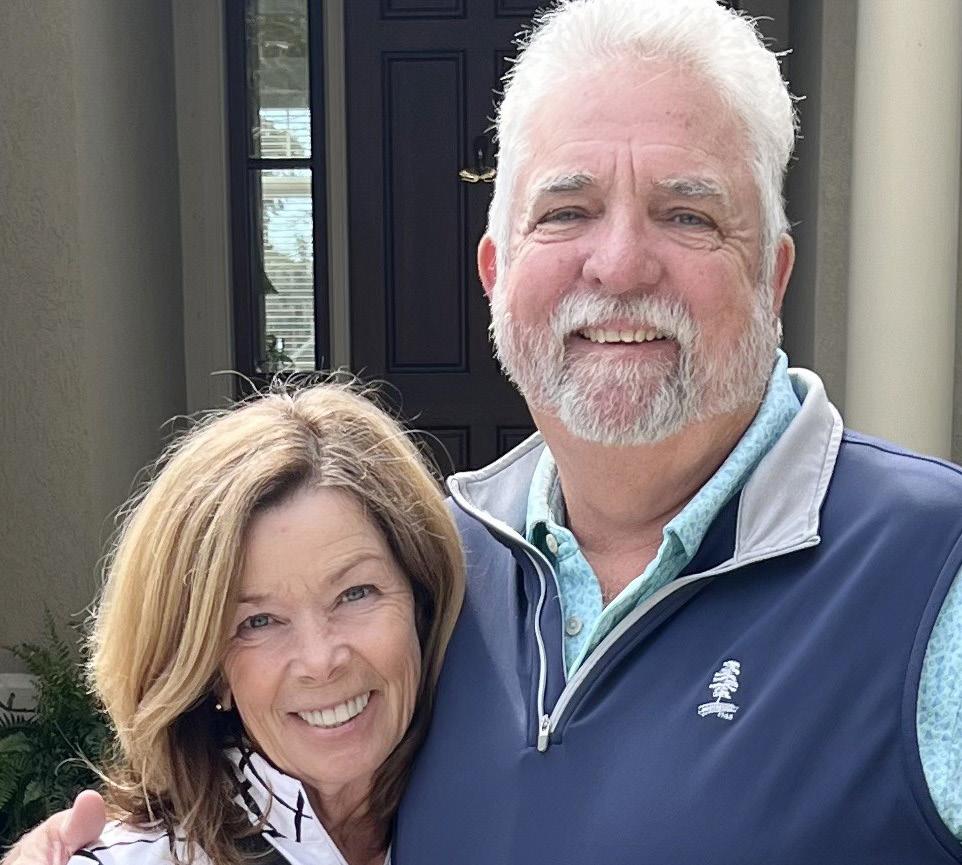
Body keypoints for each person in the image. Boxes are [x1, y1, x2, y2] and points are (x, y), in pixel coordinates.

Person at [7, 0, 962, 863]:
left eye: (687, 213)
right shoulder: (430, 570)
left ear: (773, 275)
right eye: (567, 211)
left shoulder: (933, 573)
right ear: (496, 272)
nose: (620, 263)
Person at [34, 383, 464, 865]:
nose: (320, 661)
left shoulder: (497, 817)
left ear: (421, 604)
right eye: (259, 621)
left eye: (355, 593)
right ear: (209, 670)